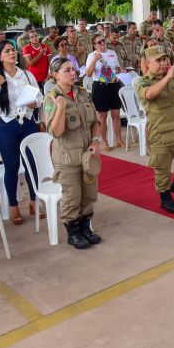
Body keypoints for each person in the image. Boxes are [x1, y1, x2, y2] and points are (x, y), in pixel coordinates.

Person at [43, 56, 103, 249]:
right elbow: (56, 132)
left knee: (88, 195)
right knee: (72, 198)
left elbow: (95, 121)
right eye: (67, 70)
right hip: (67, 158)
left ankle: (86, 228)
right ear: (55, 75)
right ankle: (74, 232)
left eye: (73, 69)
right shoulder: (51, 98)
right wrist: (60, 108)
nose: (72, 73)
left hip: (87, 155)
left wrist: (95, 141)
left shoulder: (83, 93)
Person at [0, 40, 42, 225]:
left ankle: (34, 201)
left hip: (28, 123)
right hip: (7, 126)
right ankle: (14, 205)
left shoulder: (26, 74)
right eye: (7, 51)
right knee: (12, 166)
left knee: (32, 164)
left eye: (13, 50)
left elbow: (39, 96)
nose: (12, 53)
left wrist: (35, 103)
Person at [136, 46, 174, 214]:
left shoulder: (172, 78)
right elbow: (149, 95)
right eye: (159, 60)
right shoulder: (144, 81)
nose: (164, 63)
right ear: (148, 63)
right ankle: (165, 196)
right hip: (161, 133)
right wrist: (168, 77)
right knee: (162, 169)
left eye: (165, 59)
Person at [85, 33, 125, 151]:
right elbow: (88, 74)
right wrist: (95, 60)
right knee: (102, 116)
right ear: (94, 45)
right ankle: (105, 142)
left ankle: (118, 139)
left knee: (116, 115)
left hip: (114, 85)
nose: (102, 43)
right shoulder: (91, 56)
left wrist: (120, 69)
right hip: (100, 87)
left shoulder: (112, 53)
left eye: (103, 40)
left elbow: (116, 67)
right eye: (99, 42)